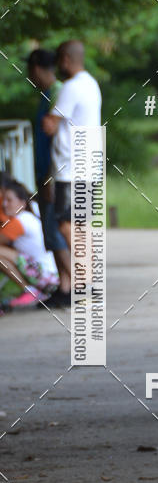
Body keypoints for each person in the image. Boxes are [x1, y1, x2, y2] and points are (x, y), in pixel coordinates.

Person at [41, 40, 102, 307]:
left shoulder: (71, 87)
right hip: (88, 165)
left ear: (66, 59)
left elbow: (50, 125)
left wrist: (46, 116)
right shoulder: (91, 84)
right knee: (80, 224)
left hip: (72, 168)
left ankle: (85, 281)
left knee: (68, 224)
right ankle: (86, 281)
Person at [27, 49, 71, 303]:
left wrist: (50, 178)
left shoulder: (56, 94)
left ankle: (72, 285)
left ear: (36, 68)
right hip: (45, 172)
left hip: (52, 174)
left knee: (56, 231)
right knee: (50, 232)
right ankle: (64, 285)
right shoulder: (46, 95)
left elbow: (58, 142)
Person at [0, 179, 58, 316]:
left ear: (22, 203)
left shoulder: (20, 221)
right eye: (3, 200)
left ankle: (30, 291)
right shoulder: (28, 216)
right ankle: (30, 290)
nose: (4, 204)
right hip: (51, 275)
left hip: (46, 277)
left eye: (9, 200)